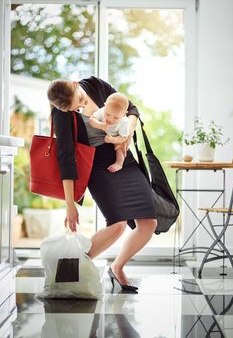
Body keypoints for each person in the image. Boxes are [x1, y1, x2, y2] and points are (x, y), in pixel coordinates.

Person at [47, 76, 157, 291]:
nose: (80, 107)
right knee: (117, 225)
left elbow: (131, 107)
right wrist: (70, 203)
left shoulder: (95, 85)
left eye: (79, 101)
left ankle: (117, 267)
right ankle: (67, 271)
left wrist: (127, 133)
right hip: (96, 167)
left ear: (76, 86)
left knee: (148, 223)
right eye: (74, 109)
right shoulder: (63, 115)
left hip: (123, 158)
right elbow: (66, 158)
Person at [88, 92, 130, 173]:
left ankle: (119, 163)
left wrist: (113, 140)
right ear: (105, 105)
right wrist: (100, 125)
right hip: (101, 132)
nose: (110, 119)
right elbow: (91, 120)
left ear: (124, 114)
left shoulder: (124, 122)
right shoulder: (103, 110)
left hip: (116, 135)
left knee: (120, 147)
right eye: (107, 114)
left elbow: (124, 137)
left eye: (116, 117)